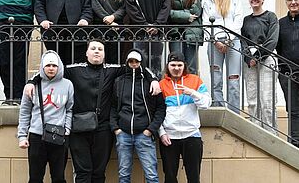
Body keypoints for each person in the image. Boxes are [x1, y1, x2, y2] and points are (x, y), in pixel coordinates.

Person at [24, 39, 160, 183]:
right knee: (83, 172)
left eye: (100, 49)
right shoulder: (75, 69)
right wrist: (31, 81)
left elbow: (136, 66)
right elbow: (52, 70)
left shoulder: (112, 69)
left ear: (104, 54)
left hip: (103, 129)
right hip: (79, 129)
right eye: (93, 48)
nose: (96, 51)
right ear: (87, 53)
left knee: (98, 172)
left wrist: (153, 79)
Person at [18, 50, 74, 183]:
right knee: (35, 178)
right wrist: (22, 136)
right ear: (43, 67)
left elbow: (69, 109)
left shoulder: (67, 85)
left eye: (54, 66)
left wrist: (67, 129)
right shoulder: (32, 86)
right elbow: (25, 112)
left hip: (59, 136)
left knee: (59, 178)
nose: (51, 68)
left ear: (59, 67)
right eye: (48, 65)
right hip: (37, 137)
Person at [110, 49, 165, 183]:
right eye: (131, 61)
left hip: (144, 134)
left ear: (141, 63)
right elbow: (113, 106)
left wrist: (151, 129)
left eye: (136, 61)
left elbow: (160, 108)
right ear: (127, 62)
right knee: (124, 175)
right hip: (123, 134)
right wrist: (115, 128)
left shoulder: (150, 82)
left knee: (151, 175)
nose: (133, 64)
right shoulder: (119, 81)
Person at [158, 51, 211, 183]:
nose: (176, 68)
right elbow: (156, 112)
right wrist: (162, 133)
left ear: (184, 65)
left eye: (179, 65)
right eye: (173, 65)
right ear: (168, 66)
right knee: (170, 178)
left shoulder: (195, 80)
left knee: (193, 177)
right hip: (169, 137)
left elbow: (206, 104)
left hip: (192, 135)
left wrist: (192, 93)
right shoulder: (161, 84)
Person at [202, 0, 243, 113]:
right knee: (216, 79)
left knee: (233, 81)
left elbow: (238, 20)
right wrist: (216, 41)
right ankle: (219, 110)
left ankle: (234, 114)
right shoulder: (208, 0)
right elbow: (206, 22)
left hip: (233, 43)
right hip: (215, 44)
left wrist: (229, 40)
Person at [241, 0, 279, 134]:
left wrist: (258, 56)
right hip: (249, 60)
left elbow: (272, 39)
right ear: (249, 0)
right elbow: (243, 40)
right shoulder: (246, 20)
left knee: (267, 97)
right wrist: (248, 57)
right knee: (252, 98)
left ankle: (271, 133)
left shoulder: (271, 17)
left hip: (266, 58)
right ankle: (255, 131)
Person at [126, 0, 169, 78]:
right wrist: (145, 25)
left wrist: (156, 25)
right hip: (139, 33)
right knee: (139, 63)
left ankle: (155, 92)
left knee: (156, 66)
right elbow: (131, 9)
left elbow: (166, 7)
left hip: (157, 34)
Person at [168, 0, 203, 74]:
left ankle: (192, 91)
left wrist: (177, 14)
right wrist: (187, 16)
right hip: (175, 32)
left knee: (191, 67)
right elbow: (167, 12)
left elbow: (196, 11)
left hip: (192, 32)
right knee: (175, 66)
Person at [276, 0, 299, 147]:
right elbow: (274, 45)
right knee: (293, 110)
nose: (293, 2)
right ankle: (295, 143)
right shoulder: (280, 23)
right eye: (290, 0)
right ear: (286, 3)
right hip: (287, 73)